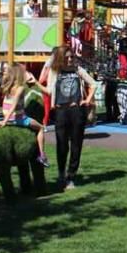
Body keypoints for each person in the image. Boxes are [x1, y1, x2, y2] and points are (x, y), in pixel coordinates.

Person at [48, 46, 96, 188]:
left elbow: (93, 83)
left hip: (76, 111)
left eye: (71, 57)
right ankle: (61, 173)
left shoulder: (78, 70)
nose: (69, 59)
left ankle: (71, 176)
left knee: (76, 145)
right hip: (61, 111)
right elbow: (50, 90)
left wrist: (87, 100)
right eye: (67, 57)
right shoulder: (55, 71)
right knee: (61, 144)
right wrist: (36, 84)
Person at [0, 63, 51, 168]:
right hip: (19, 119)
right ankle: (42, 155)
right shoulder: (20, 88)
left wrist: (4, 119)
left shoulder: (7, 86)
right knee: (40, 128)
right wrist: (5, 121)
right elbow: (13, 105)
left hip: (8, 117)